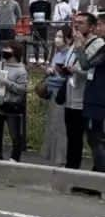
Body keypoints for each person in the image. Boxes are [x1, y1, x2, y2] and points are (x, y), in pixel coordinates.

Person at [63, 13, 100, 169]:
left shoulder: (97, 45)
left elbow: (90, 69)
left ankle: (96, 173)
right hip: (70, 97)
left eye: (81, 23)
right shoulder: (75, 43)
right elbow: (69, 62)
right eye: (75, 22)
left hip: (85, 99)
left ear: (91, 27)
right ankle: (72, 170)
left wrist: (75, 69)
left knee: (92, 140)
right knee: (72, 138)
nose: (77, 26)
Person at [0, 41, 28, 161]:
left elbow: (22, 89)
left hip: (11, 106)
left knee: (15, 135)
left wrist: (6, 83)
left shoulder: (21, 70)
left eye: (8, 49)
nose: (4, 51)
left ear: (15, 52)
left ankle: (15, 157)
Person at [76, 12, 105, 172]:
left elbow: (86, 65)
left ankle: (100, 178)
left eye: (101, 25)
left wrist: (80, 48)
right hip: (96, 97)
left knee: (96, 139)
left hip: (98, 99)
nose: (98, 28)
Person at [41, 27, 72, 166]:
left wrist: (54, 73)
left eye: (60, 36)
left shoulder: (69, 54)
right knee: (52, 126)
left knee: (61, 128)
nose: (57, 39)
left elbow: (66, 77)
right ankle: (52, 157)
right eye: (56, 36)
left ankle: (61, 159)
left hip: (62, 94)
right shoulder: (56, 54)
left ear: (68, 39)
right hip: (52, 92)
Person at [29, 0, 51, 64]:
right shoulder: (33, 4)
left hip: (44, 25)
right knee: (35, 43)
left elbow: (49, 14)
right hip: (35, 25)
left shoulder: (47, 4)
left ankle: (45, 60)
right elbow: (31, 14)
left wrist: (47, 22)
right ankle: (36, 59)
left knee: (44, 43)